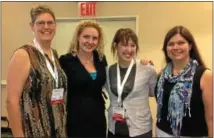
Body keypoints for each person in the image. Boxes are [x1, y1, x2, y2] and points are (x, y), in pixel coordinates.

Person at [6, 5, 67, 137]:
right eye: (40, 23)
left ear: (55, 26)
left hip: (57, 130)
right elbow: (11, 101)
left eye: (50, 23)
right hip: (33, 131)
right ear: (31, 26)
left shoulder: (54, 55)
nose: (46, 27)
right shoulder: (23, 55)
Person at [155, 26, 213, 137]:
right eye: (171, 44)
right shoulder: (162, 75)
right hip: (162, 133)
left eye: (181, 42)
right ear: (166, 48)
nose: (175, 47)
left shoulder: (205, 76)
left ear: (190, 46)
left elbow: (211, 118)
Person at [59, 20, 107, 137]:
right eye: (86, 37)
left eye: (94, 38)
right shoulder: (66, 61)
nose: (90, 42)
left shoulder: (100, 60)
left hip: (98, 118)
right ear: (78, 38)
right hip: (75, 119)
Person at [106, 28, 157, 138]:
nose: (129, 49)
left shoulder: (147, 69)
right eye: (124, 45)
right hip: (114, 128)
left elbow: (154, 93)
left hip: (140, 129)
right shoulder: (108, 71)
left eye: (133, 45)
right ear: (115, 46)